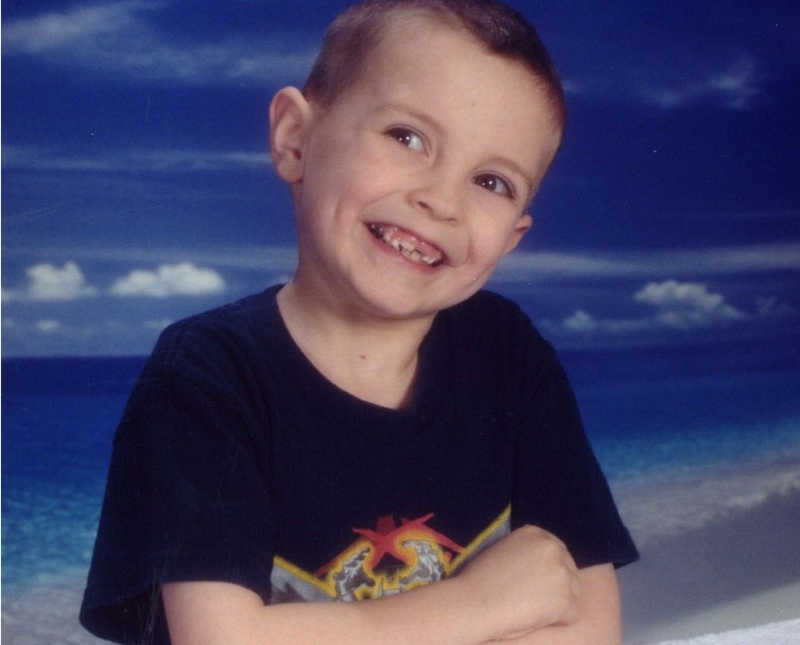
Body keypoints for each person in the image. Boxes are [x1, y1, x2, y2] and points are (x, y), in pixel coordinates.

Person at [80, 1, 638, 643]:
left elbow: (592, 626)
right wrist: (479, 605)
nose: (442, 199)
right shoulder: (205, 377)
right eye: (407, 137)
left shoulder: (508, 353)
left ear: (512, 238)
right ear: (296, 138)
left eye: (492, 181)